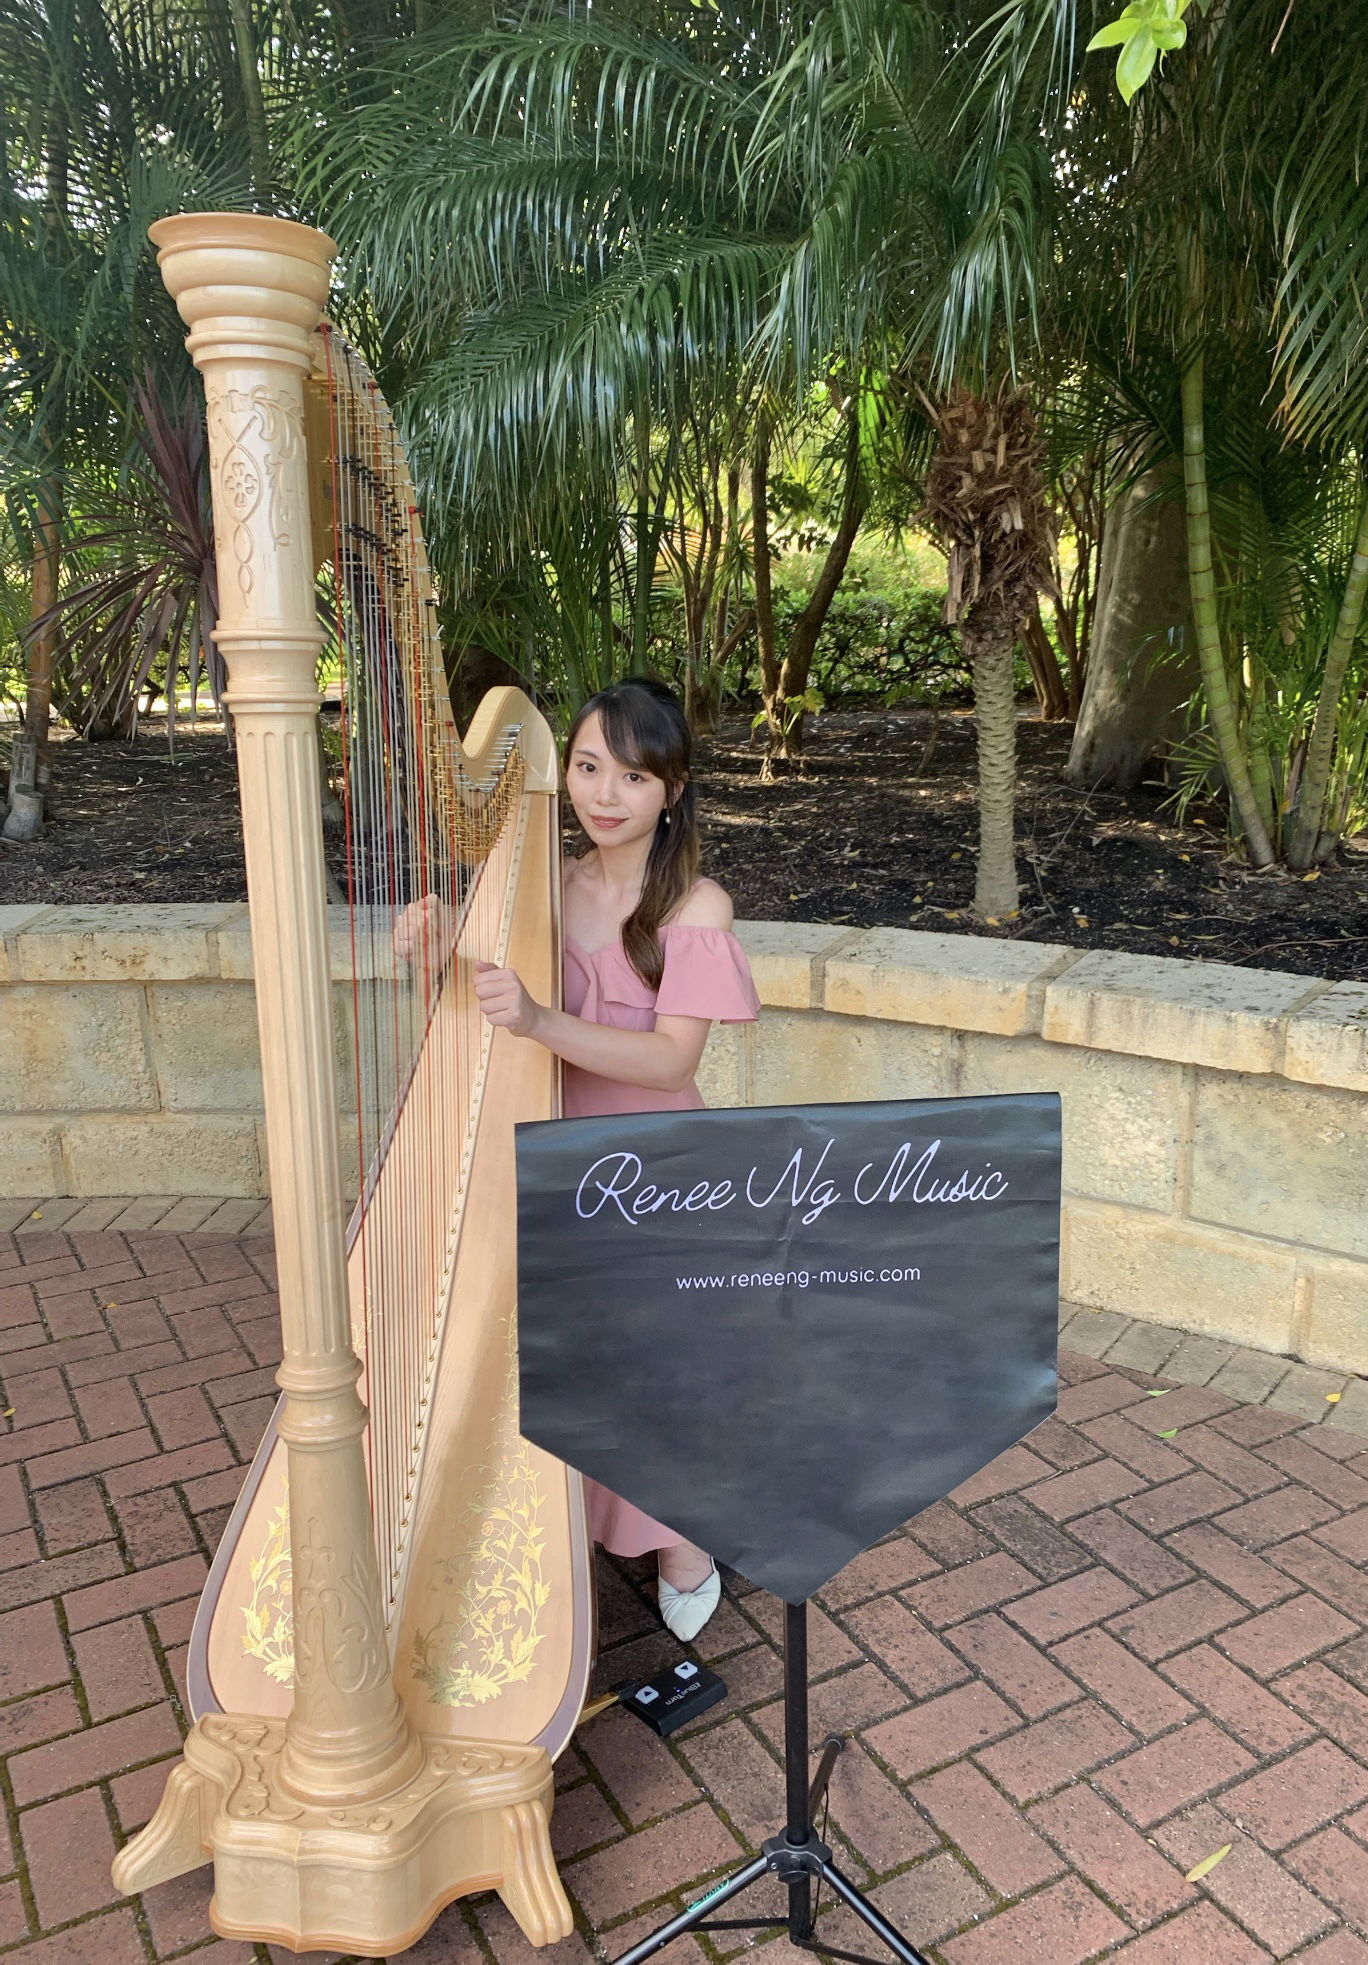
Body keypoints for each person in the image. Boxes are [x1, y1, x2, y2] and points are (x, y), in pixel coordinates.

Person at [400, 677, 759, 1643]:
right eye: (588, 766)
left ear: (672, 789)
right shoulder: (544, 885)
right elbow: (490, 995)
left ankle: (684, 1539)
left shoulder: (697, 904)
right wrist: (439, 949)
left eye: (632, 777)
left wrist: (544, 1018)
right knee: (581, 1351)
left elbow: (670, 1058)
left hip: (653, 1165)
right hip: (558, 1147)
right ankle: (592, 1519)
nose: (603, 794)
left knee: (657, 1360)